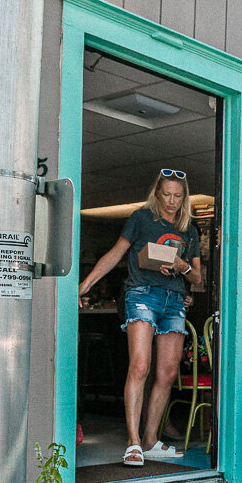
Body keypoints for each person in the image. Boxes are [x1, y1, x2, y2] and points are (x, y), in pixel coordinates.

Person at [78, 169, 202, 466]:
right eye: (167, 195)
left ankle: (149, 440)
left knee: (167, 373)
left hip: (174, 300)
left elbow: (197, 276)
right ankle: (133, 442)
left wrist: (180, 265)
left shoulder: (189, 229)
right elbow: (116, 253)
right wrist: (82, 286)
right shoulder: (141, 218)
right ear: (157, 193)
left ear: (184, 197)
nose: (172, 201)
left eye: (178, 196)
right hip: (142, 293)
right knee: (140, 365)